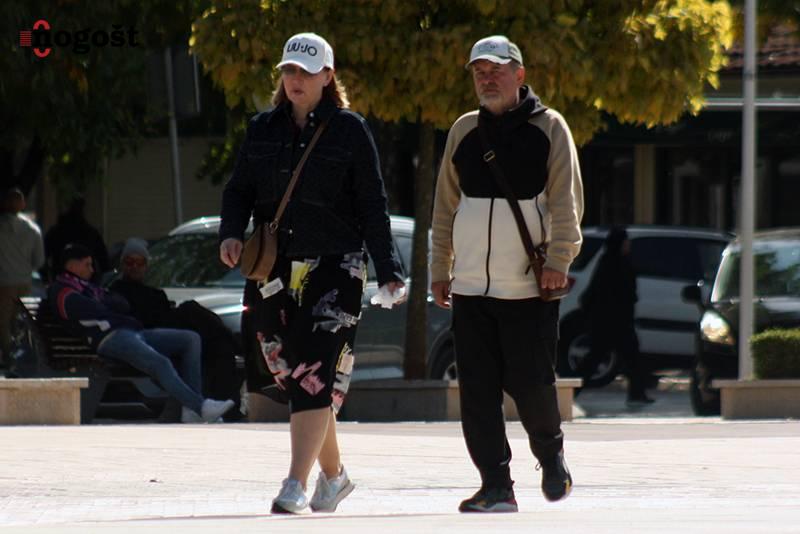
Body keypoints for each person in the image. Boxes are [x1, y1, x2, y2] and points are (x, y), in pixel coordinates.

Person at [219, 32, 404, 514]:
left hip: (336, 267)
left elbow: (373, 205)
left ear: (327, 76)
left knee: (315, 371)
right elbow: (238, 190)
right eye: (289, 70)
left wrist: (388, 269)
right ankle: (335, 477)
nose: (295, 79)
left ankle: (294, 484)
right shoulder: (262, 129)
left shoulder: (350, 131)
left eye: (305, 71)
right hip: (274, 268)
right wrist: (231, 233)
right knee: (287, 369)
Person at [430, 35, 583, 513]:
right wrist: (440, 268)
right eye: (479, 72)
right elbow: (444, 207)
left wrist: (559, 261)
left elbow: (566, 203)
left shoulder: (550, 128)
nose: (487, 79)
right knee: (476, 394)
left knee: (533, 386)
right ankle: (496, 485)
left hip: (529, 288)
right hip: (471, 288)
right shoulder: (463, 130)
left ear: (520, 74)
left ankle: (551, 456)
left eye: (496, 70)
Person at [48, 244, 235, 423]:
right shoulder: (63, 291)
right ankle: (200, 407)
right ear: (72, 265)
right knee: (160, 362)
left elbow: (121, 304)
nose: (91, 270)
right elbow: (95, 311)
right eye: (87, 264)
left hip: (130, 331)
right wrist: (108, 307)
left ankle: (191, 410)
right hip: (110, 338)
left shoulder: (87, 288)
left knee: (191, 339)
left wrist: (108, 306)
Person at [109, 237, 242, 420]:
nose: (135, 267)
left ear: (146, 266)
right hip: (147, 334)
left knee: (218, 346)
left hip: (166, 329)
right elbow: (142, 319)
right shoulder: (117, 291)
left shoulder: (153, 293)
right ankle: (199, 405)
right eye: (129, 262)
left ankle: (216, 407)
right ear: (122, 265)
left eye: (140, 263)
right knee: (192, 316)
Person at [579, 227, 655, 406]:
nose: (628, 245)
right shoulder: (612, 264)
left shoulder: (614, 262)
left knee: (629, 358)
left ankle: (637, 393)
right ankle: (570, 389)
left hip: (617, 321)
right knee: (598, 358)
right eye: (625, 241)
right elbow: (613, 293)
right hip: (612, 322)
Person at [0, 188, 45, 372]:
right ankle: (22, 358)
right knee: (22, 322)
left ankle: (10, 357)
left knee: (3, 323)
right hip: (25, 282)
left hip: (4, 282)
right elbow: (39, 261)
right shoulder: (32, 229)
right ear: (23, 204)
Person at [44, 197, 110, 281]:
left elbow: (43, 257)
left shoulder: (56, 232)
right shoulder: (90, 232)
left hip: (63, 279)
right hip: (78, 281)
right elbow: (104, 261)